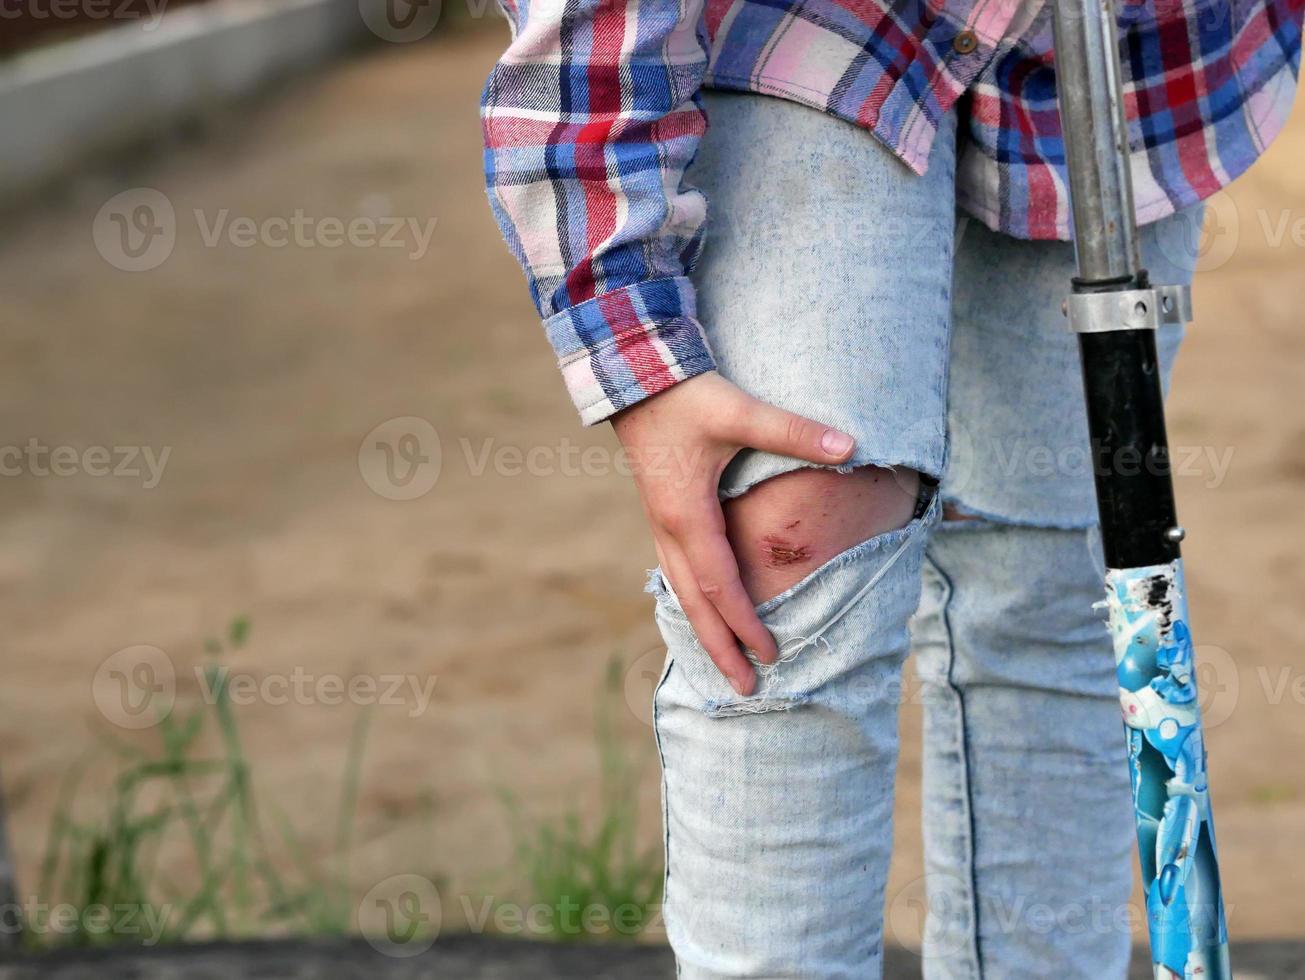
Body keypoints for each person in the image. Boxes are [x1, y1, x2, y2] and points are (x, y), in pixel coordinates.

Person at [480, 0, 1301, 973]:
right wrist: (626, 324)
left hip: (1121, 46)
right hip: (802, 25)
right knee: (788, 556)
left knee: (1055, 593)